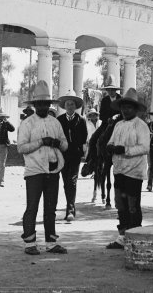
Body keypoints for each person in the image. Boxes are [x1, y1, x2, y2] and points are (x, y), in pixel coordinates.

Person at [16, 80, 68, 255]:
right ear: (35, 105)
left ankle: (51, 243)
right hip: (34, 170)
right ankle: (29, 243)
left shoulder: (55, 123)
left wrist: (57, 143)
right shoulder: (27, 123)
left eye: (46, 103)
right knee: (32, 207)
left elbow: (65, 145)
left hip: (53, 169)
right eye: (40, 104)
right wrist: (40, 142)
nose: (43, 107)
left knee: (51, 208)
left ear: (49, 104)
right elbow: (21, 147)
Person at [105, 88, 150, 250]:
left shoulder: (141, 126)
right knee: (121, 205)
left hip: (134, 171)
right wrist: (110, 147)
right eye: (123, 107)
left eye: (129, 107)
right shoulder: (118, 125)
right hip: (119, 170)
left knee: (133, 205)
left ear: (135, 109)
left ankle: (135, 238)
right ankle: (122, 237)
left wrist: (125, 150)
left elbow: (145, 147)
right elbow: (110, 141)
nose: (125, 110)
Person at [56, 90, 89, 222]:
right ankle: (70, 206)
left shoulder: (81, 120)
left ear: (75, 106)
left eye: (72, 104)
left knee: (73, 181)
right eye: (68, 104)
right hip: (63, 155)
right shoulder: (59, 120)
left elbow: (84, 137)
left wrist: (82, 153)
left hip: (75, 155)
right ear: (65, 106)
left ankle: (70, 209)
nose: (70, 106)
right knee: (65, 181)